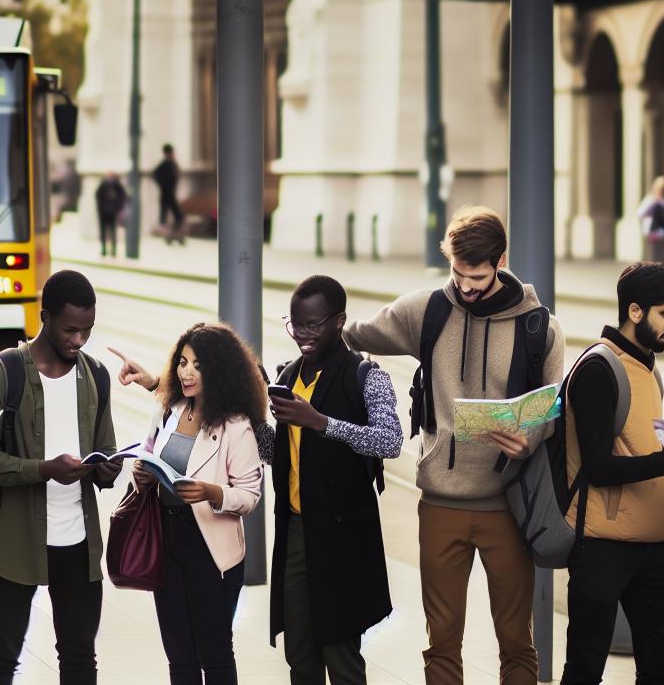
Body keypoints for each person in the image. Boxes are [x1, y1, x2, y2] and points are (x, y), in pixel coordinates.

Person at [343, 205, 564, 685]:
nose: (465, 286)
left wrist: (529, 439)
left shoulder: (538, 327)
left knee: (516, 642)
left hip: (508, 502)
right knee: (441, 642)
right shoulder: (429, 309)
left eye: (477, 277)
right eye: (458, 274)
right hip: (441, 501)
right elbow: (350, 334)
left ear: (500, 262)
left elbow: (552, 407)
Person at [0, 270, 119, 685]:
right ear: (44, 316)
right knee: (4, 655)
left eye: (87, 330)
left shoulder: (96, 376)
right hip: (16, 541)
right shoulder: (1, 376)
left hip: (79, 544)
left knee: (80, 658)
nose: (79, 340)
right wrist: (44, 471)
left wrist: (107, 470)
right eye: (70, 330)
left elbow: (106, 450)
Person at [562, 262, 664, 684]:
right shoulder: (599, 368)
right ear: (635, 312)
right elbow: (599, 467)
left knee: (661, 664)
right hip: (601, 543)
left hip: (655, 542)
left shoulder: (648, 368)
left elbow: (641, 451)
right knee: (585, 666)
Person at [267, 275, 402, 684]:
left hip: (343, 539)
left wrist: (321, 423)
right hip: (295, 532)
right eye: (295, 325)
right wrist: (252, 419)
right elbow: (281, 456)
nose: (303, 335)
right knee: (301, 655)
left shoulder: (366, 375)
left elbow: (390, 441)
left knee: (341, 656)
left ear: (339, 321)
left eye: (313, 324)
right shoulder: (287, 377)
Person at [130, 322, 266, 685]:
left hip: (210, 549)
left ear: (219, 370)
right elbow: (147, 451)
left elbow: (250, 495)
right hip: (165, 539)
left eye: (198, 365)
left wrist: (212, 492)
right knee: (180, 657)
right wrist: (141, 474)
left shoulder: (236, 425)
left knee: (215, 653)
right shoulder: (168, 409)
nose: (186, 372)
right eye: (183, 362)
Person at [154, 144, 186, 243]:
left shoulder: (172, 163)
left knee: (177, 216)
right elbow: (156, 175)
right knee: (175, 216)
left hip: (170, 194)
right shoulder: (166, 164)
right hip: (168, 195)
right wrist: (164, 186)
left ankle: (174, 235)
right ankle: (172, 235)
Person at [635, 176, 664, 262]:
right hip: (652, 230)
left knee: (661, 256)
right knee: (653, 256)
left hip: (663, 231)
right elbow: (640, 213)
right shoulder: (650, 199)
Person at [95, 172, 128, 257]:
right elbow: (98, 197)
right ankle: (105, 249)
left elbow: (122, 197)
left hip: (111, 212)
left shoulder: (116, 186)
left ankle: (111, 250)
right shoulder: (104, 185)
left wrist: (117, 207)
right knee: (106, 231)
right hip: (105, 212)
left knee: (111, 231)